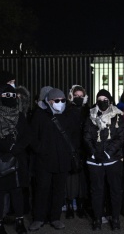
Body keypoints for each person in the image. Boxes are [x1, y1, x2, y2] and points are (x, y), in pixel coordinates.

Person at [0, 83, 31, 234]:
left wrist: (16, 148)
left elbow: (27, 136)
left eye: (12, 95)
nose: (9, 98)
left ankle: (20, 221)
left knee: (17, 192)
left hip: (16, 158)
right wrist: (8, 148)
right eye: (6, 95)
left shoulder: (20, 115)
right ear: (0, 97)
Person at [29, 88, 80, 231]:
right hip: (44, 161)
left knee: (58, 191)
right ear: (49, 101)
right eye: (57, 101)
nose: (60, 103)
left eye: (63, 100)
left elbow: (74, 135)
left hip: (62, 160)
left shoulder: (68, 115)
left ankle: (55, 218)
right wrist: (40, 150)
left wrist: (69, 152)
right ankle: (39, 218)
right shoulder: (40, 115)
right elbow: (32, 137)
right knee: (42, 190)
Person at [84, 89, 124, 231]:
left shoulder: (118, 115)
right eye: (99, 99)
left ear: (110, 100)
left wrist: (107, 153)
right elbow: (87, 136)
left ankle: (115, 218)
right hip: (94, 160)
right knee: (96, 191)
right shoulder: (90, 115)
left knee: (115, 190)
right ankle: (97, 219)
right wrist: (95, 153)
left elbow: (120, 137)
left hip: (112, 160)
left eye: (105, 99)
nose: (102, 102)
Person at [65, 85, 89, 219]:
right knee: (70, 179)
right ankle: (69, 205)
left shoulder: (87, 110)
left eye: (81, 96)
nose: (79, 98)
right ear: (71, 96)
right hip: (71, 148)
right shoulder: (67, 110)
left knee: (82, 179)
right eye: (76, 96)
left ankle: (80, 206)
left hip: (84, 149)